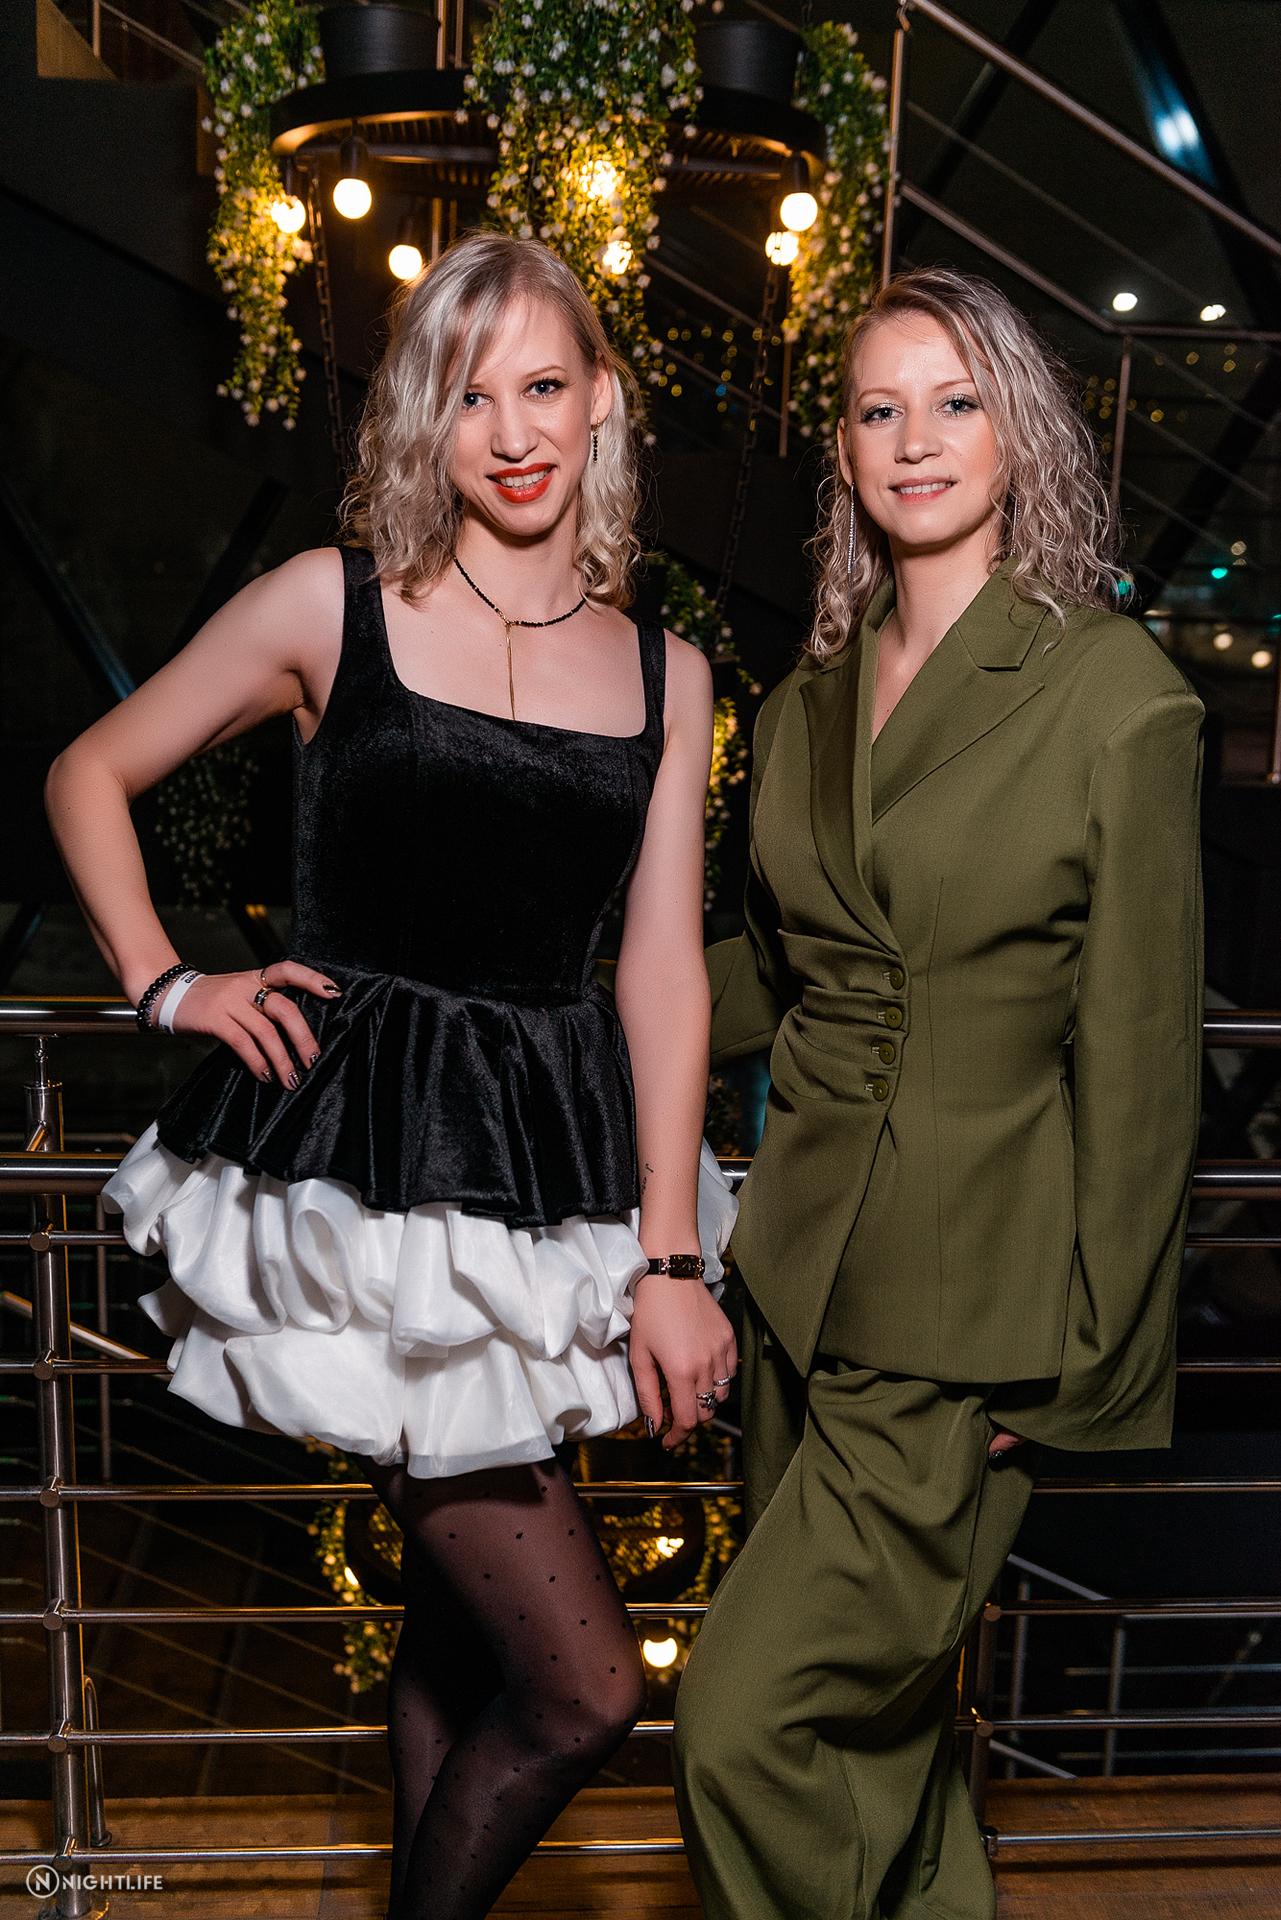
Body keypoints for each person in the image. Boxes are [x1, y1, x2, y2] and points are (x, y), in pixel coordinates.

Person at [45, 231, 738, 1920]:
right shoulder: (325, 601)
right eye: (467, 394)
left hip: (544, 1178)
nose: (511, 431)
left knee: (456, 1648)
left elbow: (658, 969)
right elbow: (90, 771)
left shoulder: (668, 672)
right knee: (585, 1689)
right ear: (424, 418)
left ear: (601, 401)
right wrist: (166, 983)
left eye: (544, 386)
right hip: (360, 1172)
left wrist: (667, 1257)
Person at [672, 268, 1204, 1920]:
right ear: (841, 450)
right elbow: (784, 971)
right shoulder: (805, 702)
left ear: (1017, 432)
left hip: (971, 1321)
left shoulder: (1115, 697)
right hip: (793, 1286)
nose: (914, 440)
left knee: (741, 1723)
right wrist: (558, 1014)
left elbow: (1140, 1063)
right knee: (881, 1759)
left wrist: (1090, 1355)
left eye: (954, 402)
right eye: (876, 408)